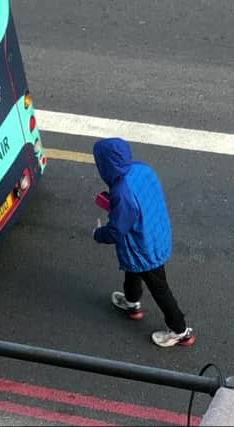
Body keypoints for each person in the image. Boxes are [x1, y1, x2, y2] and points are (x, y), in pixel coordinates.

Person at [91, 137, 194, 348]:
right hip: (155, 230)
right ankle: (132, 304)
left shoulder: (120, 191)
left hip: (145, 246)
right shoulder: (140, 168)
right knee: (132, 269)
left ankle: (180, 330)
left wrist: (98, 234)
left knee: (159, 287)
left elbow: (117, 231)